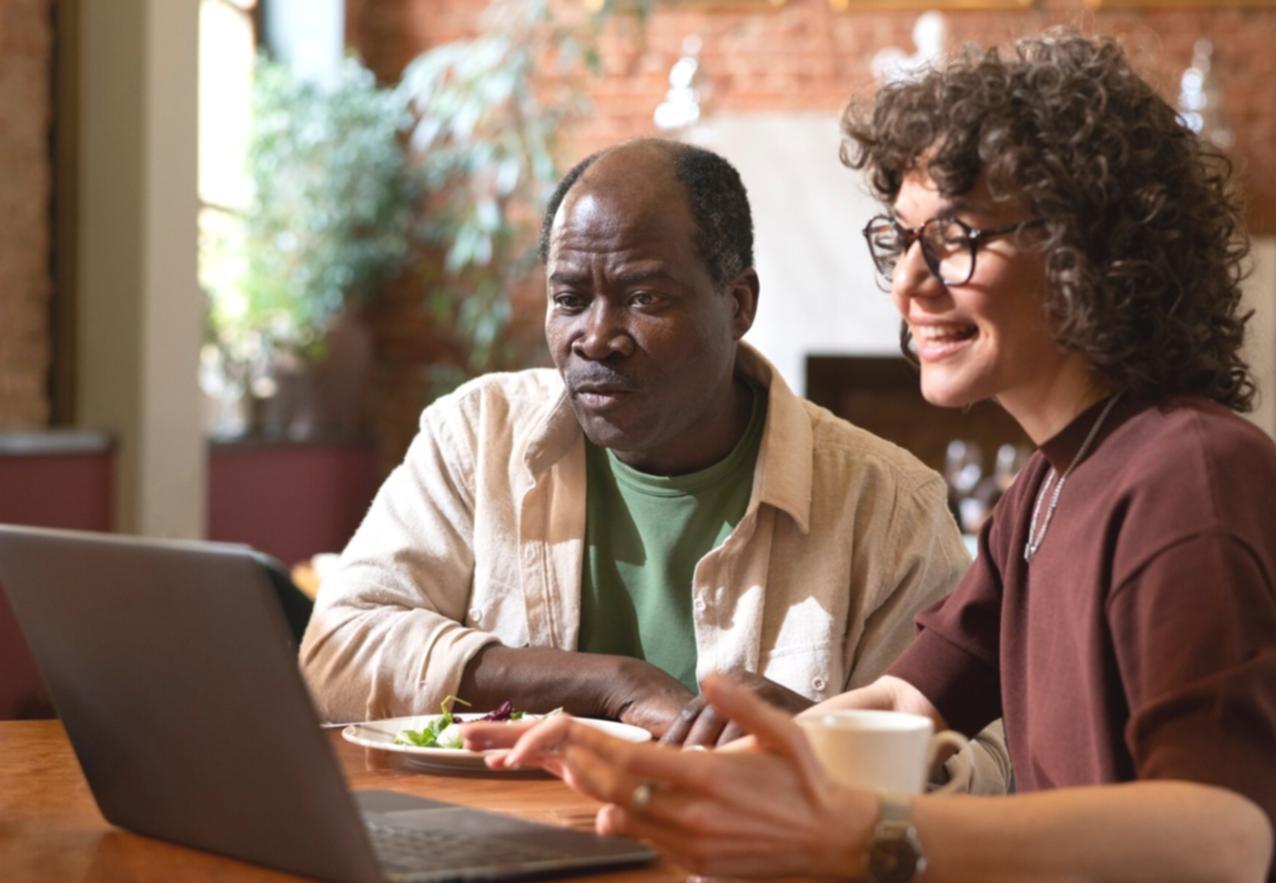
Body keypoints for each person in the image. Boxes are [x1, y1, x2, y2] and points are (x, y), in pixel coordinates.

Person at [462, 33, 1276, 883]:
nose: (907, 281)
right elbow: (901, 706)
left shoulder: (1189, 481)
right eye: (901, 240)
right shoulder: (1046, 487)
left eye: (955, 239)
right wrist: (686, 780)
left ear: (1087, 251)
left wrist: (873, 837)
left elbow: (1217, 844)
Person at [299, 139, 977, 755]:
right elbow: (337, 653)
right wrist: (611, 683)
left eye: (644, 296)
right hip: (499, 858)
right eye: (569, 298)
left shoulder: (887, 508)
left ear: (738, 303)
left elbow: (975, 762)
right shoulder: (478, 436)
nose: (596, 337)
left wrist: (824, 741)